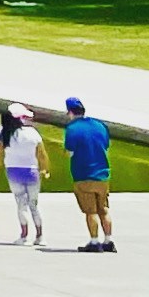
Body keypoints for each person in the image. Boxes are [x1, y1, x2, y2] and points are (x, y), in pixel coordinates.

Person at [60, 95, 115, 251]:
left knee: (91, 211)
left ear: (70, 112)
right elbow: (105, 145)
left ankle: (94, 242)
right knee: (103, 210)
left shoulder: (72, 129)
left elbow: (70, 152)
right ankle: (108, 241)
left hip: (84, 175)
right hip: (103, 174)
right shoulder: (100, 125)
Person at [0, 105, 44, 247]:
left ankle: (24, 236)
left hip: (13, 171)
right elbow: (41, 153)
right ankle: (40, 236)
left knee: (21, 204)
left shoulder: (3, 132)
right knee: (34, 205)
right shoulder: (32, 133)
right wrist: (45, 169)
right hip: (32, 171)